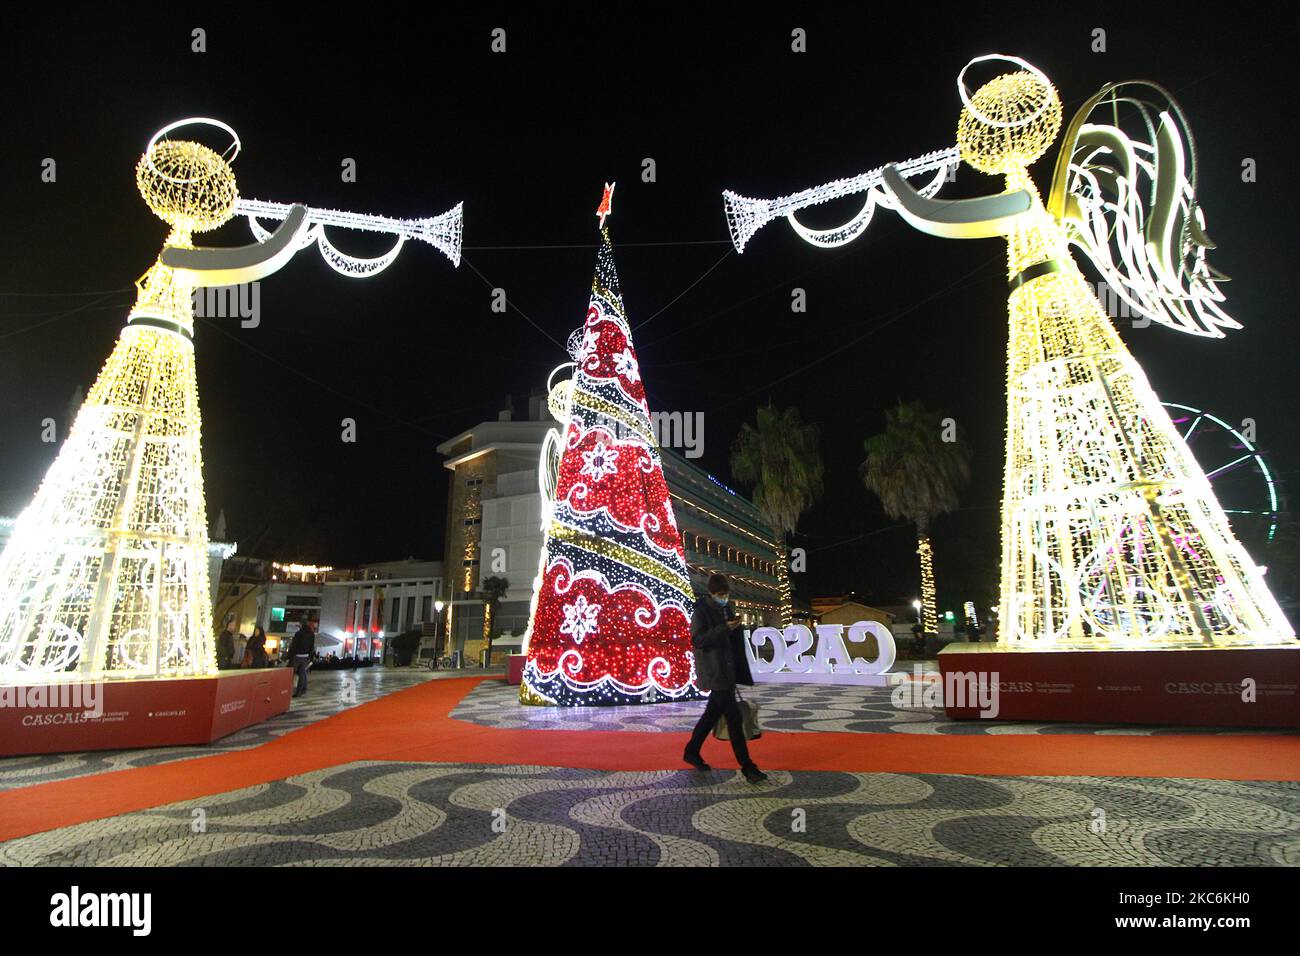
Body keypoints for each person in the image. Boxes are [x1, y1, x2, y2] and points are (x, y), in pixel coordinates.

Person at [684, 573, 768, 784]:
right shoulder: (701, 611)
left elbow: (731, 640)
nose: (725, 597)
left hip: (727, 670)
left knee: (711, 716)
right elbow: (697, 640)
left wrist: (735, 628)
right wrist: (724, 628)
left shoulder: (726, 608)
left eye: (726, 594)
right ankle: (748, 767)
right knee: (734, 719)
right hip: (715, 671)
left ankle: (692, 751)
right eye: (721, 594)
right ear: (712, 593)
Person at [287, 617, 317, 697]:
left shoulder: (298, 634)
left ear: (301, 625)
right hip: (305, 656)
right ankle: (301, 690)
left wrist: (289, 656)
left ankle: (289, 689)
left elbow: (294, 646)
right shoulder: (311, 634)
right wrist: (310, 657)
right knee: (302, 674)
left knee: (291, 673)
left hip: (297, 656)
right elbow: (311, 647)